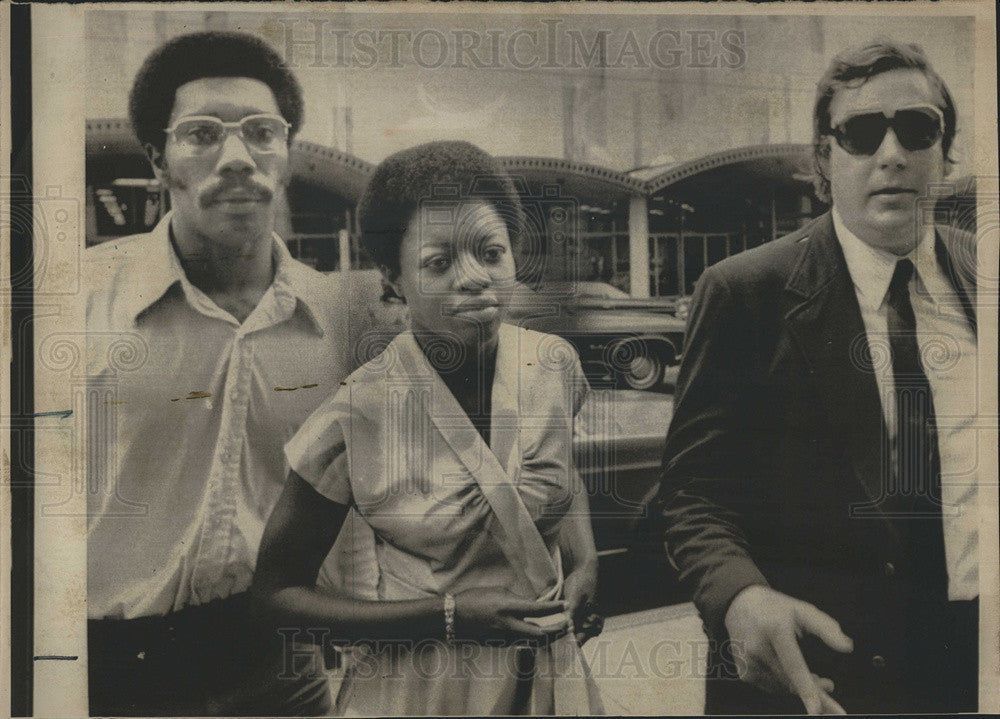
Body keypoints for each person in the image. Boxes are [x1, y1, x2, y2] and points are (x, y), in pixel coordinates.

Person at [659, 40, 978, 715]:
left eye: (917, 128)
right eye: (862, 133)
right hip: (817, 679)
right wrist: (741, 597)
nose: (892, 153)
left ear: (945, 152)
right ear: (822, 163)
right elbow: (692, 493)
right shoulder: (746, 292)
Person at [252, 140, 606, 715]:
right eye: (439, 263)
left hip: (549, 680)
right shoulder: (359, 410)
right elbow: (276, 595)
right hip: (422, 687)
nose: (474, 279)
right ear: (393, 279)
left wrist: (584, 558)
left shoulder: (553, 365)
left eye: (491, 253)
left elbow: (553, 470)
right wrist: (446, 617)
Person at [85, 31, 351, 715]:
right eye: (202, 133)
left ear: (286, 154)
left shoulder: (334, 317)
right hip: (111, 674)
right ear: (158, 158)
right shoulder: (72, 306)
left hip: (281, 673)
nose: (237, 157)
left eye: (262, 132)